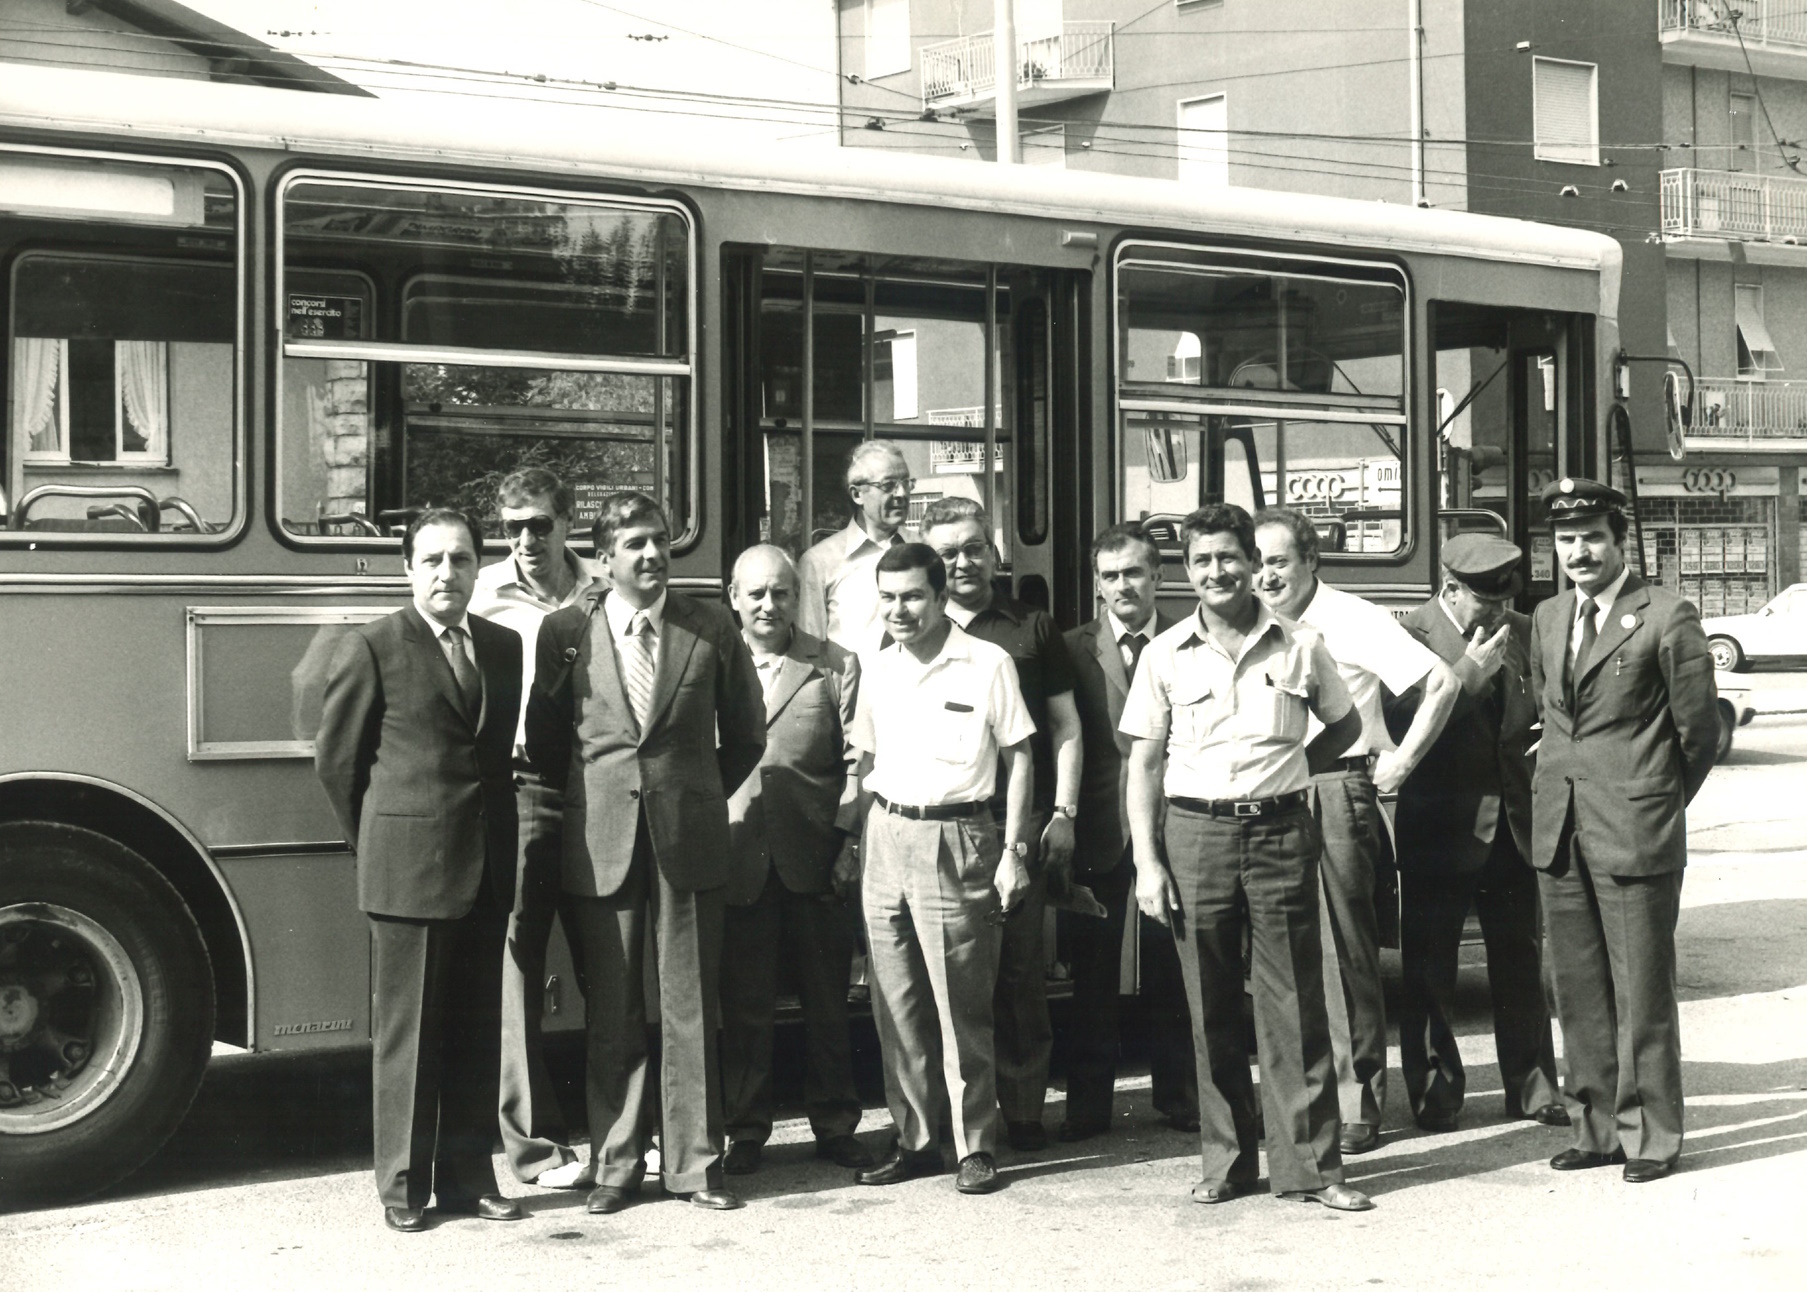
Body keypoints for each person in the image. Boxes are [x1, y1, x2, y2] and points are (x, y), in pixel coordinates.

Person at [1121, 503, 1372, 1211]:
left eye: (1228, 558)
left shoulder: (1299, 644)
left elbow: (1343, 727)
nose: (1216, 572)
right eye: (1201, 561)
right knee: (1208, 1005)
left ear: (1253, 564)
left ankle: (1313, 1169)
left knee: (1294, 1003)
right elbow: (1141, 765)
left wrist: (1286, 772)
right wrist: (1147, 861)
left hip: (1278, 834)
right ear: (1187, 571)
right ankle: (1227, 1162)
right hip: (1194, 835)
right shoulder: (1163, 654)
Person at [524, 491, 766, 1213]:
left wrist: (686, 795)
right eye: (633, 543)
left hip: (686, 841)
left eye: (659, 540)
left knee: (690, 1007)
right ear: (603, 559)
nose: (653, 554)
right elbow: (546, 742)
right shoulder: (564, 630)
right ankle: (617, 1166)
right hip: (601, 843)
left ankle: (695, 1165)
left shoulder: (708, 625)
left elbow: (746, 734)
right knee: (615, 1012)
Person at [314, 508, 525, 1233]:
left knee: (473, 1034)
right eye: (431, 560)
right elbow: (338, 764)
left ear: (476, 567)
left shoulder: (502, 647)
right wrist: (382, 846)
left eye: (460, 559)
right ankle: (401, 1191)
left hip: (484, 868)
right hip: (407, 875)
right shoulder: (373, 646)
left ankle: (469, 1182)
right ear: (407, 569)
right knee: (408, 1043)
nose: (447, 573)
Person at [1529, 478, 1718, 1184]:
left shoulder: (1666, 616)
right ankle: (1595, 1126)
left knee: (1639, 992)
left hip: (1632, 830)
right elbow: (1552, 719)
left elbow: (1695, 734)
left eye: (1591, 538)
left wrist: (1652, 802)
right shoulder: (1547, 617)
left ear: (1619, 541)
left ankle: (1650, 1140)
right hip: (1561, 830)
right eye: (1565, 540)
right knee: (1575, 988)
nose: (1578, 552)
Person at [1252, 507, 1457, 1154]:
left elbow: (1442, 681)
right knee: (1280, 956)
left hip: (1333, 789)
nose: (1265, 576)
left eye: (1278, 561)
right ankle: (1299, 1098)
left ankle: (1356, 1101)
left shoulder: (1352, 618)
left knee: (1342, 956)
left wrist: (1398, 760)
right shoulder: (1254, 622)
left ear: (1310, 559)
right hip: (1266, 792)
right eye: (1257, 563)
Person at [848, 542, 1037, 1196]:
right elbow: (864, 762)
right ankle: (916, 1139)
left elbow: (1020, 759)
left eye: (911, 596)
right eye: (888, 596)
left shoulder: (986, 664)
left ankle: (974, 1146)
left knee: (961, 1005)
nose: (897, 609)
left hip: (958, 835)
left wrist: (1013, 850)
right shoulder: (877, 668)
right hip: (886, 834)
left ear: (938, 596)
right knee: (894, 1002)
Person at [918, 496, 1081, 1152]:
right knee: (946, 978)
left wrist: (1063, 813)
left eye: (973, 548)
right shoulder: (909, 626)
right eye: (948, 552)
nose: (963, 561)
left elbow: (1064, 727)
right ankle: (949, 1121)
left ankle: (1021, 1110)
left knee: (1018, 975)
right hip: (941, 821)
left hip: (1014, 818)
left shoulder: (1029, 628)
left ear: (994, 553)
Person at [1391, 533, 1566, 1133]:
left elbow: (1548, 707)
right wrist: (1466, 674)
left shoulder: (1522, 629)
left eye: (1503, 601)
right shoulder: (1410, 635)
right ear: (1448, 589)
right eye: (1482, 602)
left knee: (1520, 961)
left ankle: (1534, 1087)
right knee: (1430, 969)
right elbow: (1401, 728)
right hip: (1440, 828)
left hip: (1513, 826)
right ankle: (1436, 1094)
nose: (1496, 614)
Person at [469, 467, 604, 1190]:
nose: (525, 540)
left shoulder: (600, 592)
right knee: (518, 962)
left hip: (591, 789)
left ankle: (619, 1138)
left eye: (539, 525)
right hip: (520, 787)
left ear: (567, 521)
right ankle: (531, 1147)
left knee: (603, 954)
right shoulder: (482, 593)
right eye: (513, 526)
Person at [718, 545, 873, 1175]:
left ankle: (835, 1124)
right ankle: (746, 1130)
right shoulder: (712, 663)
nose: (768, 604)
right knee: (745, 1005)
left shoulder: (834, 664)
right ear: (734, 598)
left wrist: (847, 843)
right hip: (739, 857)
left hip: (816, 859)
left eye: (780, 592)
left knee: (827, 1003)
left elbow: (858, 763)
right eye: (755, 593)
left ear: (796, 598)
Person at [1059, 522, 1200, 1142]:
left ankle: (1181, 1096)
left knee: (1176, 965)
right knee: (1092, 975)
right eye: (1111, 576)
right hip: (1098, 830)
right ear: (1097, 585)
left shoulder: (1188, 640)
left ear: (1158, 577)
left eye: (1135, 573)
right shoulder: (1070, 649)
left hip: (1175, 825)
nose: (1124, 586)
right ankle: (1088, 1107)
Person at [798, 440, 912, 656]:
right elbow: (810, 647)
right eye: (888, 485)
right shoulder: (820, 562)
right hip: (852, 687)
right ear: (857, 494)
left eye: (906, 483)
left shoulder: (925, 549)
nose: (902, 494)